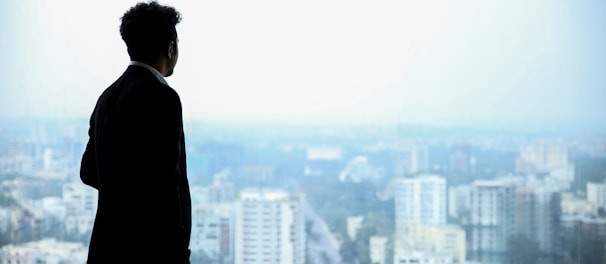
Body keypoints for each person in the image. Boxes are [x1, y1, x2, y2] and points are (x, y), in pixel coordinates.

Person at [80, 1, 191, 263]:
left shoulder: (106, 97)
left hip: (105, 249)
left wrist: (122, 191)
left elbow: (88, 171)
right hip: (150, 251)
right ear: (170, 48)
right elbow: (166, 187)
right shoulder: (162, 97)